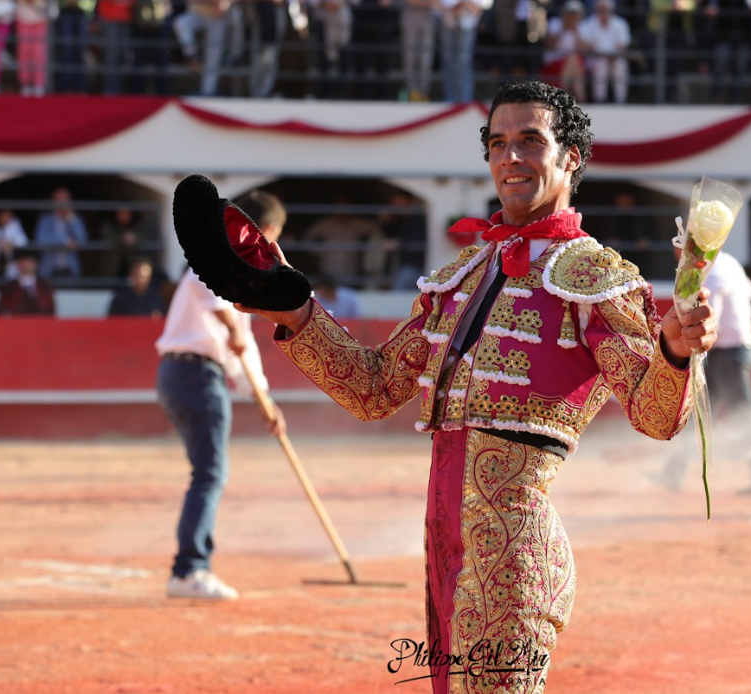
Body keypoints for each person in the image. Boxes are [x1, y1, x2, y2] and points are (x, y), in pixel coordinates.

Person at [233, 80, 717, 691]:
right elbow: (373, 388)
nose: (510, 157)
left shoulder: (596, 277)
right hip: (443, 549)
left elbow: (656, 416)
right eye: (498, 143)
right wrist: (294, 309)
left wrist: (675, 348)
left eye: (530, 141)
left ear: (572, 157)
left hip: (512, 555)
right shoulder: (460, 275)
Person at [156, 189, 288, 601]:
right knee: (210, 473)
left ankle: (191, 567)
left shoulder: (234, 278)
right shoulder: (213, 258)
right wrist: (229, 325)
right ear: (264, 233)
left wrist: (263, 399)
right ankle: (190, 569)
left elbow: (242, 349)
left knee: (208, 472)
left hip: (185, 373)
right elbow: (214, 301)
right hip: (194, 373)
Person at [650, 249, 751, 495]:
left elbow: (708, 322)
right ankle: (672, 473)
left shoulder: (711, 272)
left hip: (727, 354)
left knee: (740, 416)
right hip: (732, 351)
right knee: (701, 416)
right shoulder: (729, 262)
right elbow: (749, 292)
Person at [174, 0, 237, 97]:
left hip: (218, 18)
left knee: (213, 57)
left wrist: (225, 2)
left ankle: (208, 93)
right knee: (181, 23)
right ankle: (191, 56)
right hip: (197, 14)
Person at [579, 0, 631, 104]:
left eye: (606, 10)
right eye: (601, 10)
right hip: (595, 58)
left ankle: (620, 100)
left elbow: (623, 46)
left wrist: (613, 56)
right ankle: (600, 99)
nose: (604, 12)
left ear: (612, 10)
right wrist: (598, 53)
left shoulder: (620, 24)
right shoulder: (588, 23)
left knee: (620, 65)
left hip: (615, 57)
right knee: (600, 65)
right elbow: (584, 45)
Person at [438, 0, 490, 103]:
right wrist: (456, 7)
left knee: (464, 61)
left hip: (467, 25)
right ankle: (449, 97)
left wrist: (465, 4)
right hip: (448, 23)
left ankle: (465, 98)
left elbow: (481, 7)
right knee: (448, 60)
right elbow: (438, 4)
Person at [378, 192, 428, 290]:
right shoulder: (401, 220)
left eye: (400, 203)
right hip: (401, 264)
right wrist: (385, 221)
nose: (397, 206)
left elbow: (417, 240)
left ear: (409, 202)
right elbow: (389, 233)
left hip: (414, 265)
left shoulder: (418, 218)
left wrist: (397, 243)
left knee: (398, 292)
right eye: (394, 203)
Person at [35, 187, 88, 278]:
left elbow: (83, 240)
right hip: (49, 270)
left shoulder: (76, 220)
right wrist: (64, 241)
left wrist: (71, 219)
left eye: (65, 199)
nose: (62, 202)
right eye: (59, 198)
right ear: (53, 201)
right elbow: (41, 239)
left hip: (70, 269)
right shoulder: (45, 219)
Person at [541, 0, 587, 103]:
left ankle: (564, 96)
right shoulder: (555, 23)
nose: (571, 17)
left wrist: (575, 32)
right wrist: (563, 29)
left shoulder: (582, 27)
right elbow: (549, 46)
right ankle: (580, 97)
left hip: (574, 63)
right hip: (555, 60)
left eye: (574, 14)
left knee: (572, 59)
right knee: (572, 59)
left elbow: (583, 49)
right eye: (569, 14)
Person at [0, 248, 56, 316]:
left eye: (30, 261)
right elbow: (2, 312)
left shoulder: (45, 286)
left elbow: (49, 311)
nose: (27, 264)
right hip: (15, 324)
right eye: (23, 261)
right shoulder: (8, 287)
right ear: (18, 263)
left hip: (39, 324)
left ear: (36, 264)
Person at [399, 0, 437, 101]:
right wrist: (427, 4)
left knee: (426, 58)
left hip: (428, 18)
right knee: (409, 57)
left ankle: (424, 92)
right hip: (410, 16)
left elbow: (435, 2)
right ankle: (412, 92)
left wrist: (428, 4)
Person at [15, 0, 49, 96]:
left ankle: (39, 84)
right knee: (24, 52)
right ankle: (25, 83)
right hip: (23, 17)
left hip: (41, 17)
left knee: (39, 53)